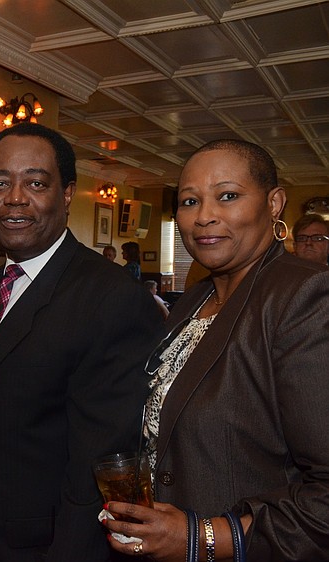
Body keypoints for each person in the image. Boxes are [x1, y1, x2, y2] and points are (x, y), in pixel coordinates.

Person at [0, 122, 163, 561]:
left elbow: (100, 471)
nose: (15, 198)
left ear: (66, 195)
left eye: (36, 183)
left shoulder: (111, 298)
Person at [103, 139, 329, 561]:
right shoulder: (194, 300)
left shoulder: (305, 296)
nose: (204, 216)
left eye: (228, 196)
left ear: (275, 203)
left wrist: (201, 538)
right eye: (190, 201)